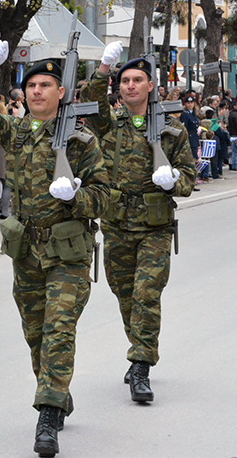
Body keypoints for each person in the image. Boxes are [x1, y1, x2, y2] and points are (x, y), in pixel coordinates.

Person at [0, 42, 109, 458]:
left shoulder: (81, 141)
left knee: (58, 329)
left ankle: (46, 413)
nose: (37, 92)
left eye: (46, 84)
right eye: (31, 85)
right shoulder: (17, 132)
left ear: (61, 92)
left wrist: (76, 197)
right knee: (35, 334)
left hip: (68, 251)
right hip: (27, 250)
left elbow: (104, 197)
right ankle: (55, 390)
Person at [80, 43, 196, 404]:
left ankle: (141, 365)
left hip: (154, 226)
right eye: (125, 80)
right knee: (125, 295)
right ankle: (139, 345)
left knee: (147, 294)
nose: (130, 85)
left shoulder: (172, 130)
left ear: (151, 86)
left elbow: (189, 179)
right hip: (115, 223)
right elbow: (89, 100)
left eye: (138, 80)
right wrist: (102, 70)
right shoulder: (108, 123)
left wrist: (172, 179)